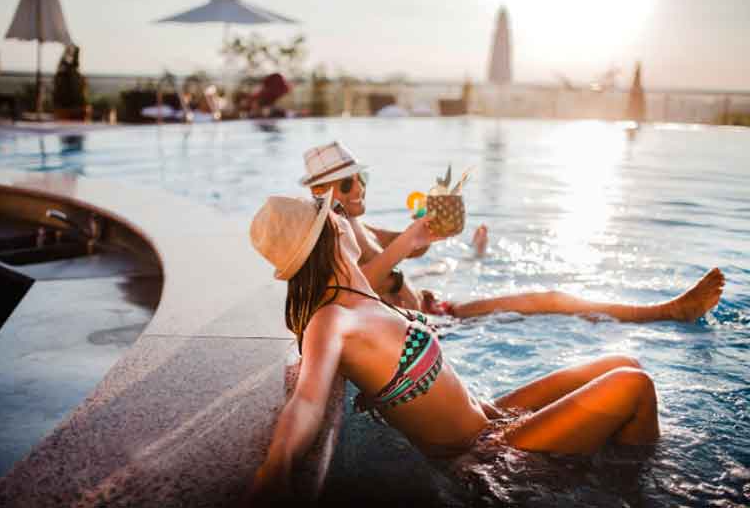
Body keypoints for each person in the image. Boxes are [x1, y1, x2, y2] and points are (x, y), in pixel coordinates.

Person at [247, 191, 661, 502]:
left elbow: (378, 270)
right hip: (484, 455)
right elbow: (308, 401)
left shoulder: (364, 299)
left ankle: (611, 463)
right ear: (332, 233)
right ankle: (628, 489)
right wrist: (275, 467)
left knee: (622, 361)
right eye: (334, 213)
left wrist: (415, 238)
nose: (343, 216)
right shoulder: (332, 318)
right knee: (633, 384)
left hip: (490, 419)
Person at [300, 141, 724, 322]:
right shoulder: (335, 234)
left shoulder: (361, 225)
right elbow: (355, 289)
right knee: (552, 300)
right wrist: (409, 241)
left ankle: (665, 311)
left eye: (363, 177)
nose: (363, 188)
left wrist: (428, 231)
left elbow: (411, 254)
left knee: (551, 298)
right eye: (353, 182)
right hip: (429, 324)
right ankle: (665, 312)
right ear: (325, 191)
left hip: (437, 310)